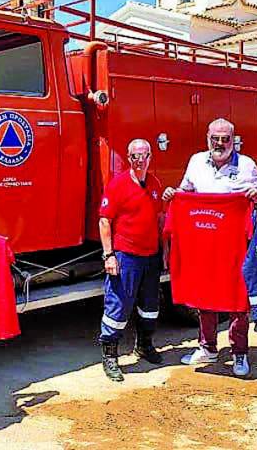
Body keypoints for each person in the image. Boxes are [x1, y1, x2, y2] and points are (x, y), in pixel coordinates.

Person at [163, 118, 257, 376]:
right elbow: (185, 191)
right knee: (204, 294)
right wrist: (173, 194)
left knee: (237, 298)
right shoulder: (196, 161)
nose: (220, 143)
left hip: (235, 245)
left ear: (234, 140)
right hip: (203, 242)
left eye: (225, 139)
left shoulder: (247, 165)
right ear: (207, 138)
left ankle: (239, 352)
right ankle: (207, 347)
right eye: (215, 139)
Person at [99, 139, 164, 382]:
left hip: (151, 256)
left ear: (150, 157)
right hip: (126, 256)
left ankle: (144, 346)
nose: (140, 160)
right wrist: (109, 255)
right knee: (119, 305)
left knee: (150, 306)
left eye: (144, 155)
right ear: (128, 158)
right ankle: (110, 356)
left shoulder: (154, 183)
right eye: (135, 156)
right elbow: (104, 221)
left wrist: (164, 250)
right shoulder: (118, 185)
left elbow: (159, 217)